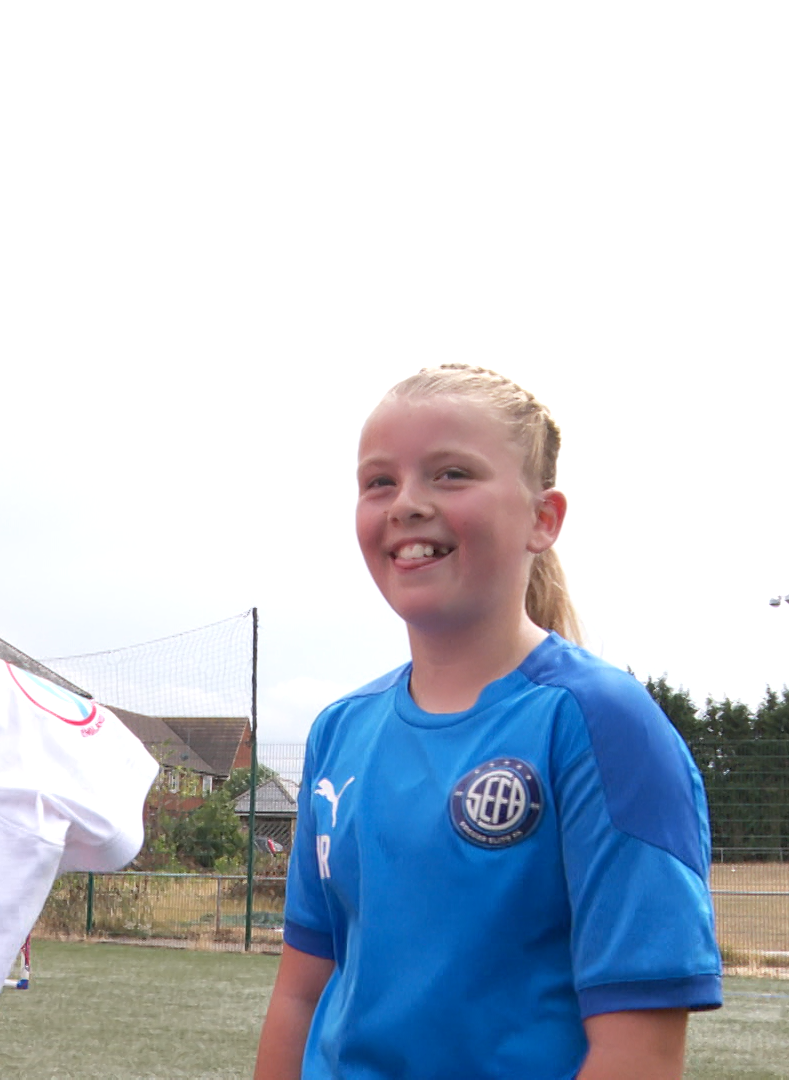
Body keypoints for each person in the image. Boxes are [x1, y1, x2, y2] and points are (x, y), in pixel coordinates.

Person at [253, 364, 721, 1079]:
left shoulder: (602, 726)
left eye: (450, 474)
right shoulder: (339, 732)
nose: (406, 503)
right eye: (380, 481)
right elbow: (298, 995)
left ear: (544, 519)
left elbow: (640, 1053)